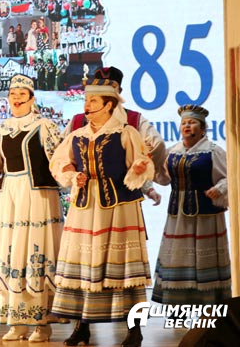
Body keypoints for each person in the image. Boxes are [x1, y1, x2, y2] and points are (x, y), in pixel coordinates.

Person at [50, 72, 154, 347]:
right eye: (86, 100)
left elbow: (141, 165)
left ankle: (135, 331)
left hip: (118, 208)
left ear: (109, 104)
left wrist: (139, 168)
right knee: (84, 266)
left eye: (93, 101)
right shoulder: (77, 135)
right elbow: (59, 162)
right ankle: (81, 327)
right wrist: (73, 175)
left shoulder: (126, 133)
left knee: (124, 268)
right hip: (86, 208)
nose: (87, 105)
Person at [0, 74, 63, 342]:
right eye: (13, 94)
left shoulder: (45, 126)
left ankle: (42, 323)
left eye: (22, 94)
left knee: (35, 250)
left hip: (37, 197)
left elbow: (58, 162)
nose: (17, 99)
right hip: (10, 195)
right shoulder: (2, 129)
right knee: (12, 253)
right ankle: (18, 321)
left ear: (32, 98)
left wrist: (72, 178)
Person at [151, 105, 231, 305]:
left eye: (192, 122)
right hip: (177, 215)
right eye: (184, 123)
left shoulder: (213, 151)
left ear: (203, 129)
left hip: (205, 215)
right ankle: (177, 306)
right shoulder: (173, 152)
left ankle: (209, 306)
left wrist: (219, 189)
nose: (187, 126)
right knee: (178, 258)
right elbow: (164, 179)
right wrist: (149, 166)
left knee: (204, 260)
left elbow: (230, 177)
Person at [64, 67, 164, 206]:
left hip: (112, 196)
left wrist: (143, 179)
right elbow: (61, 157)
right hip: (92, 197)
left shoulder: (133, 120)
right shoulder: (78, 122)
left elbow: (155, 145)